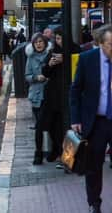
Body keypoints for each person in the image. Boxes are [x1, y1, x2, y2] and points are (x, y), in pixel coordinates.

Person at [70, 24, 112, 213]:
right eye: (111, 44)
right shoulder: (87, 60)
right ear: (101, 44)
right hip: (97, 121)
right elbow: (76, 90)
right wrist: (76, 118)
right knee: (94, 165)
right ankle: (94, 203)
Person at [39, 28, 65, 166]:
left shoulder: (75, 51)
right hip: (53, 95)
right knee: (50, 125)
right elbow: (45, 72)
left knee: (63, 126)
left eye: (61, 38)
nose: (58, 41)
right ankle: (56, 150)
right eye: (57, 38)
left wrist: (65, 60)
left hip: (66, 95)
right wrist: (50, 64)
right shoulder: (52, 52)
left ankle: (62, 153)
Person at [24, 32, 50, 165]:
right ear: (33, 45)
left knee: (46, 125)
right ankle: (39, 152)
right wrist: (35, 78)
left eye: (41, 42)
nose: (39, 44)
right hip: (36, 96)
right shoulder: (31, 58)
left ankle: (48, 152)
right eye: (36, 42)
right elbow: (27, 76)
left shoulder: (50, 56)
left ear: (45, 43)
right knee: (39, 126)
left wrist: (47, 77)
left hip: (49, 95)